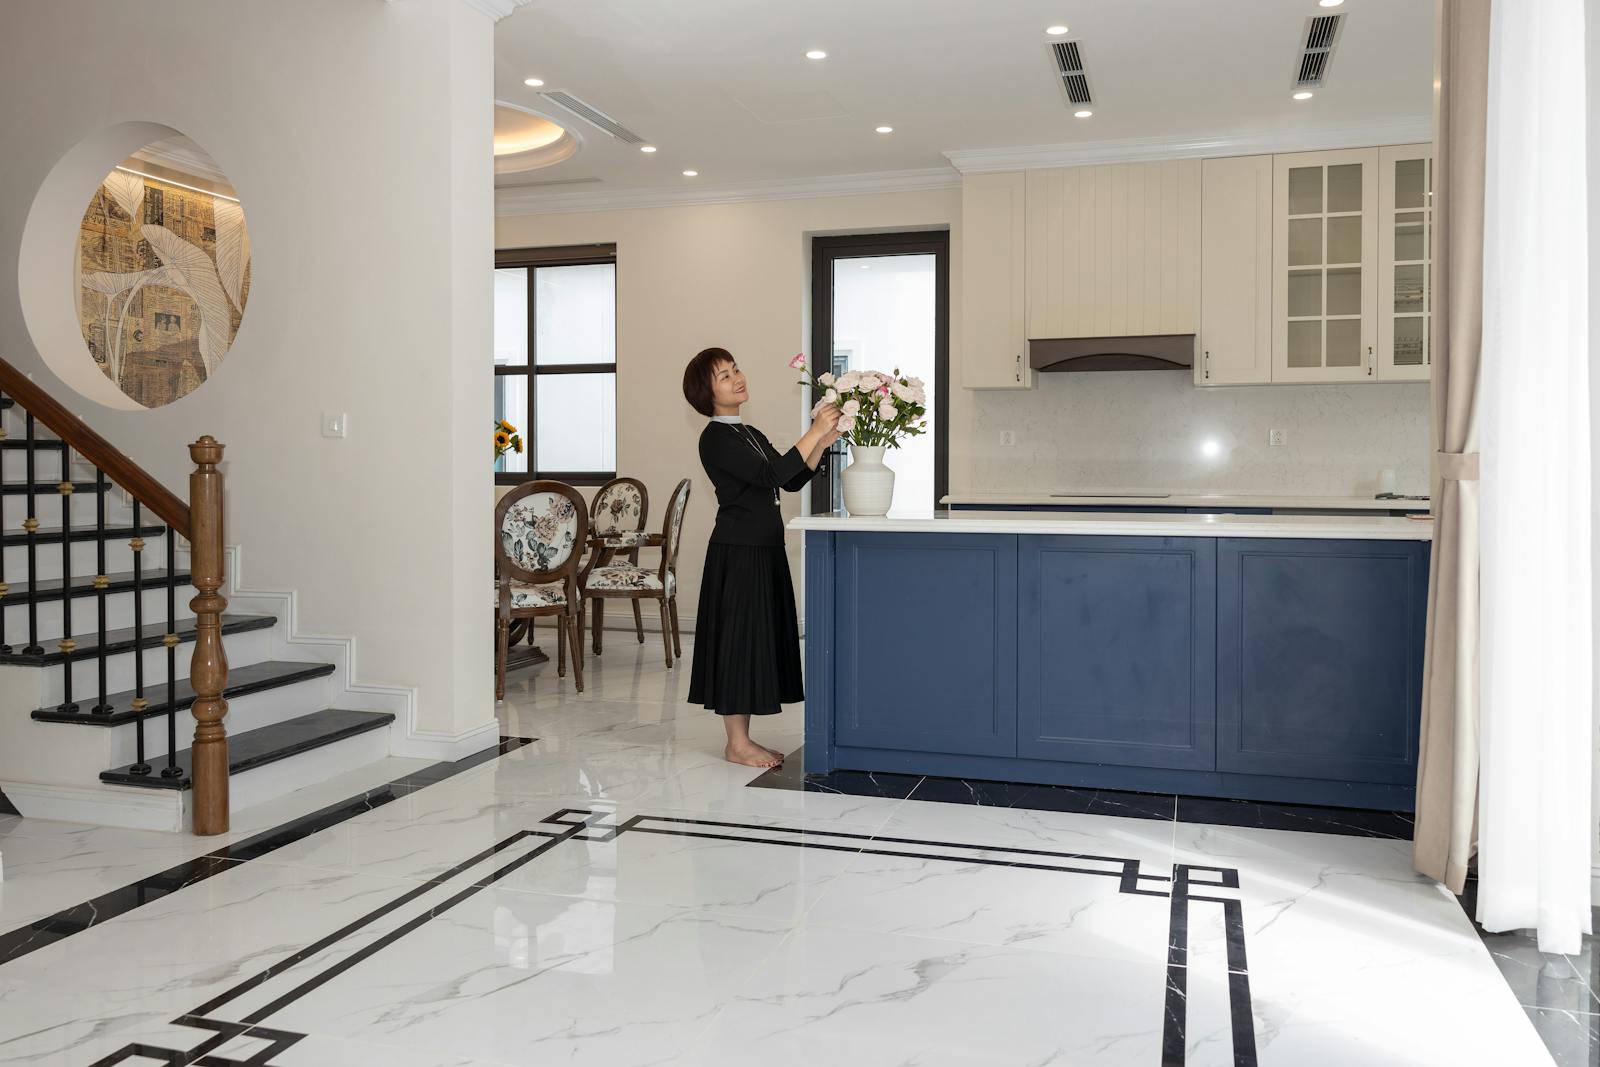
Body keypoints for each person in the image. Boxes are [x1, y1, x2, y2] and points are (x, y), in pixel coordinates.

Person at [681, 346, 841, 767]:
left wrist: (821, 443)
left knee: (756, 643)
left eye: (736, 369)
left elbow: (788, 480)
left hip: (765, 548)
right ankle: (736, 744)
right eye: (724, 376)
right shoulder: (714, 438)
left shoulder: (748, 432)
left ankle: (744, 740)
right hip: (739, 552)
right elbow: (770, 473)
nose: (737, 378)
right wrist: (812, 430)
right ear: (706, 393)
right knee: (739, 644)